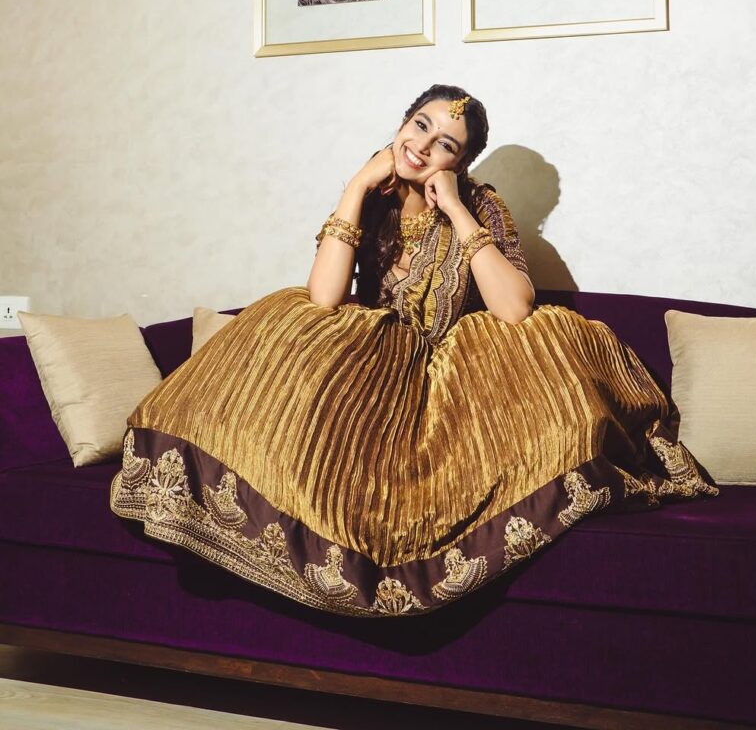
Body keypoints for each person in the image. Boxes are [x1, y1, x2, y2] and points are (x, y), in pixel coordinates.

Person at [111, 84, 718, 618]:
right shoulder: (371, 195)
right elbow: (324, 297)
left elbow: (514, 308)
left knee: (551, 357)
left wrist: (453, 205)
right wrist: (356, 186)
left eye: (445, 144)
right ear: (402, 124)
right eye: (419, 126)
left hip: (456, 376)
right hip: (375, 368)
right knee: (282, 322)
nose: (423, 146)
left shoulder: (480, 204)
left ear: (461, 162)